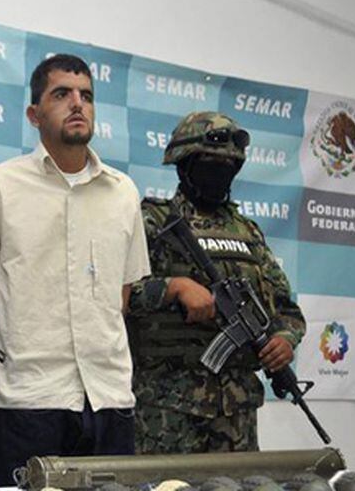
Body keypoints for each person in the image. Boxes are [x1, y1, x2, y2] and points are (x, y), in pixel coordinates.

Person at [0, 53, 151, 487]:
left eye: (86, 95)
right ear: (34, 114)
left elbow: (121, 295)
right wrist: (7, 366)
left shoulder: (123, 192)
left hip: (109, 402)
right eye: (61, 94)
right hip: (27, 403)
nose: (77, 104)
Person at [128, 111, 306, 454]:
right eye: (209, 164)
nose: (219, 171)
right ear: (184, 164)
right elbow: (116, 297)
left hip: (237, 413)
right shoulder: (153, 222)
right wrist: (173, 288)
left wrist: (284, 339)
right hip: (167, 411)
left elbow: (286, 309)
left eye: (227, 165)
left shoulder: (247, 233)